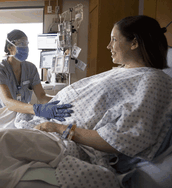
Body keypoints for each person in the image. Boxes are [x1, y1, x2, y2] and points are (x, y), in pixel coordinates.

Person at [12, 15, 172, 187]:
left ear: (134, 43)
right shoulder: (124, 71)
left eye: (114, 39)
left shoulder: (154, 81)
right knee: (0, 122)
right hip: (48, 120)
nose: (109, 46)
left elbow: (122, 138)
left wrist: (59, 128)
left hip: (64, 135)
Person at [0, 29, 73, 121]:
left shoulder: (30, 68)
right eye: (21, 44)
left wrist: (63, 101)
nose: (25, 47)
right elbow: (8, 102)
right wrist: (37, 109)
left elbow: (42, 97)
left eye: (26, 44)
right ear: (10, 47)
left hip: (20, 117)